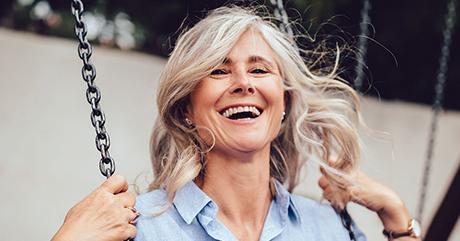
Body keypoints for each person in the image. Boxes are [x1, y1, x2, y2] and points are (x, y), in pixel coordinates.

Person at [52, 6, 422, 241]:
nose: (244, 82)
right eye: (219, 70)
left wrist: (395, 215)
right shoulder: (140, 228)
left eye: (259, 69)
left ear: (284, 104)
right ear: (186, 109)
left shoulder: (327, 228)